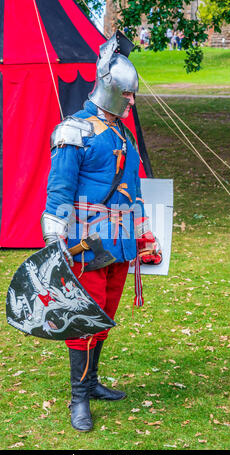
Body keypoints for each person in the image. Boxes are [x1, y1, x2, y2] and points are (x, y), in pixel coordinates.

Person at [41, 32, 161, 432]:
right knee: (82, 319)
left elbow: (135, 190)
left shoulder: (123, 134)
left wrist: (143, 231)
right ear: (109, 88)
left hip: (120, 243)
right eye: (127, 95)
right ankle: (78, 398)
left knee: (104, 314)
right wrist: (54, 240)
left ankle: (91, 384)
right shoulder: (74, 131)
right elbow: (58, 190)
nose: (131, 102)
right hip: (85, 244)